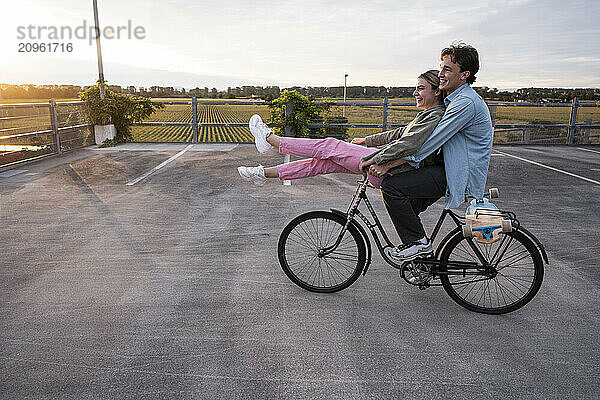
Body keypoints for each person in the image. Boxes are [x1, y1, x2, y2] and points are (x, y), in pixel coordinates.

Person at [375, 42, 494, 260]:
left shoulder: (465, 103)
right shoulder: (454, 100)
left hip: (455, 174)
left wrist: (388, 163)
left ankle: (418, 244)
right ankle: (423, 261)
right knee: (405, 206)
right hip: (447, 169)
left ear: (464, 75)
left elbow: (430, 141)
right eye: (441, 68)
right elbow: (411, 133)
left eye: (447, 69)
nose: (441, 74)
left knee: (392, 187)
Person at [237, 69, 446, 190]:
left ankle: (271, 139)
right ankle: (262, 174)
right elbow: (399, 134)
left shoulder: (435, 115)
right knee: (320, 165)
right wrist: (366, 141)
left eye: (421, 88)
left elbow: (409, 144)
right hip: (386, 167)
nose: (415, 93)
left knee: (329, 146)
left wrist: (377, 159)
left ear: (437, 92)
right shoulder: (428, 115)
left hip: (386, 168)